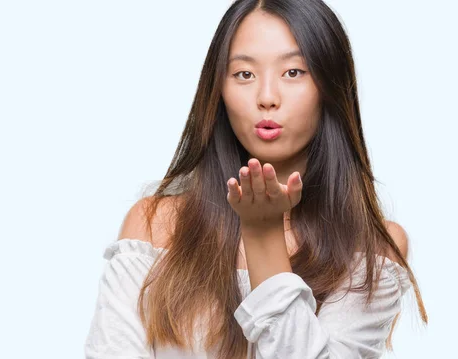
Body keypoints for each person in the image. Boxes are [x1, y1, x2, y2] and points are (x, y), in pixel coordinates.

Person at [84, 0, 428, 358]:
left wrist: (264, 238)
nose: (266, 97)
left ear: (329, 86)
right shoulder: (153, 226)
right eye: (244, 74)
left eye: (293, 72)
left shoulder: (370, 248)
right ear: (218, 90)